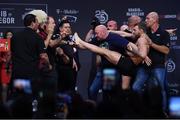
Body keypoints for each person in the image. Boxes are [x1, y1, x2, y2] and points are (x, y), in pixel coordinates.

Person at [73, 24, 148, 90]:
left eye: (135, 30)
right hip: (112, 67)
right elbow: (86, 46)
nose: (132, 32)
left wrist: (142, 55)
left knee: (103, 51)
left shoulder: (116, 38)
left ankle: (80, 40)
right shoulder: (98, 39)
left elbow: (131, 46)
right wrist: (75, 44)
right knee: (123, 89)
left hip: (118, 67)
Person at [132, 12, 170, 114]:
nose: (146, 20)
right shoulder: (145, 32)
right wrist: (143, 54)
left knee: (160, 89)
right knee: (135, 88)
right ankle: (142, 110)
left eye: (148, 18)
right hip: (144, 66)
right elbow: (136, 44)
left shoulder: (164, 33)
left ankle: (162, 112)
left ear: (155, 20)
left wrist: (152, 44)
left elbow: (166, 50)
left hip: (158, 66)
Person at [11, 14, 51, 108]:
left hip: (18, 74)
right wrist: (49, 65)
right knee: (31, 100)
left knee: (19, 100)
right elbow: (43, 56)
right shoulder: (37, 37)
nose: (38, 24)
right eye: (37, 22)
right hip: (31, 75)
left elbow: (10, 53)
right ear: (32, 23)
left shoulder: (15, 36)